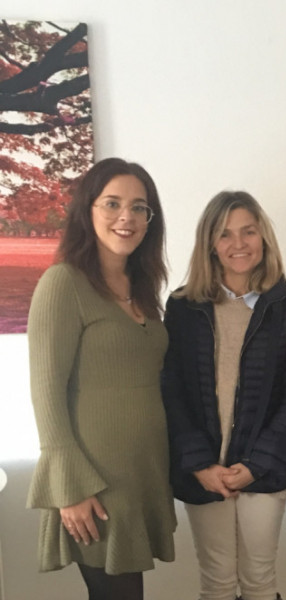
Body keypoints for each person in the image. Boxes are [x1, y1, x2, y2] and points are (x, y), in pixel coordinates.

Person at [26, 158, 175, 599]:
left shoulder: (143, 289)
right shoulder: (63, 283)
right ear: (87, 211)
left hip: (142, 474)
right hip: (95, 481)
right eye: (112, 203)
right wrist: (69, 486)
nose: (126, 217)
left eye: (139, 207)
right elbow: (45, 391)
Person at [161, 191, 286, 600]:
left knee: (260, 580)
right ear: (210, 243)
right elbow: (171, 392)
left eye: (248, 231)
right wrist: (199, 463)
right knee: (217, 582)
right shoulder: (181, 307)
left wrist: (255, 463)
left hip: (264, 466)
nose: (238, 244)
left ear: (263, 237)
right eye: (225, 234)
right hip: (203, 467)